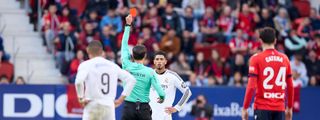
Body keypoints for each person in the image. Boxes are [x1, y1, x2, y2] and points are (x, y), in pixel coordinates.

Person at [75, 41, 137, 120]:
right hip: (108, 104)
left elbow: (79, 81)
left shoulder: (86, 64)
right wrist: (121, 99)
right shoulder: (112, 65)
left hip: (92, 103)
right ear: (102, 52)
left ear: (88, 51)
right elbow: (131, 80)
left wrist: (80, 98)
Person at [242, 27, 294, 120]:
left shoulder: (256, 59)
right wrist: (289, 107)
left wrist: (245, 107)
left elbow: (251, 86)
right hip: (279, 108)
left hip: (262, 107)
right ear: (275, 41)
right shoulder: (285, 59)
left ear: (260, 41)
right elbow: (290, 86)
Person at [121, 15, 165, 120]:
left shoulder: (126, 64)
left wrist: (128, 25)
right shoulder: (150, 72)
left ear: (132, 54)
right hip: (143, 108)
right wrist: (162, 97)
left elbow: (124, 44)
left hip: (128, 107)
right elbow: (160, 91)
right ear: (145, 56)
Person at [149, 51, 192, 120]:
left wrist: (177, 107)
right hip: (149, 116)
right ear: (154, 61)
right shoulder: (149, 75)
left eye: (161, 59)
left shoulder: (172, 76)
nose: (159, 61)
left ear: (165, 61)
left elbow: (187, 92)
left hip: (165, 117)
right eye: (157, 59)